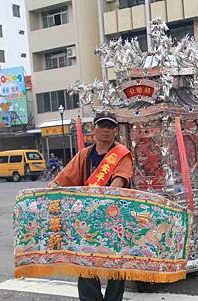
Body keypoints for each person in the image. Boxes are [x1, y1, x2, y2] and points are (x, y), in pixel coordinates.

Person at [49, 111, 133, 301]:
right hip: (88, 218)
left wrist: (104, 201)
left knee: (115, 264)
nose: (106, 130)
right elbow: (64, 178)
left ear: (116, 131)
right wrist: (50, 189)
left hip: (114, 216)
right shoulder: (85, 155)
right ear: (93, 129)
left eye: (110, 126)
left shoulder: (122, 154)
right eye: (102, 125)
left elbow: (119, 181)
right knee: (86, 261)